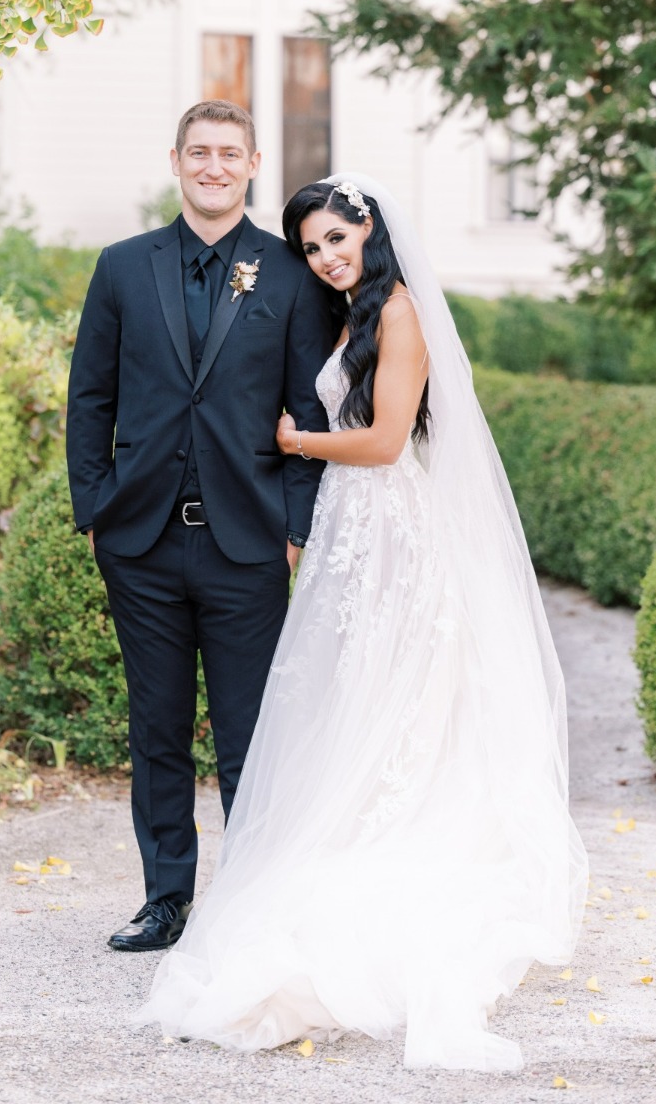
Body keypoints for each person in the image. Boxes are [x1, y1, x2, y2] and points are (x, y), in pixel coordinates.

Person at [137, 174, 589, 1071]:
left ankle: (395, 875)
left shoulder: (403, 314)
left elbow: (385, 441)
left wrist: (297, 442)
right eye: (311, 248)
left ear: (369, 226)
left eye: (337, 239)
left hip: (395, 529)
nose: (326, 258)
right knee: (350, 704)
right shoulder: (358, 313)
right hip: (357, 530)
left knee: (395, 708)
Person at [66, 101, 334, 953]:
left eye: (229, 153)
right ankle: (166, 900)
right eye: (198, 153)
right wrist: (95, 515)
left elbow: (310, 412)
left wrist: (295, 527)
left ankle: (251, 903)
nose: (213, 167)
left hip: (248, 543)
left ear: (253, 162)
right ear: (174, 161)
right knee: (157, 727)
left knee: (251, 736)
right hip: (139, 543)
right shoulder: (120, 267)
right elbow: (90, 399)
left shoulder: (289, 275)